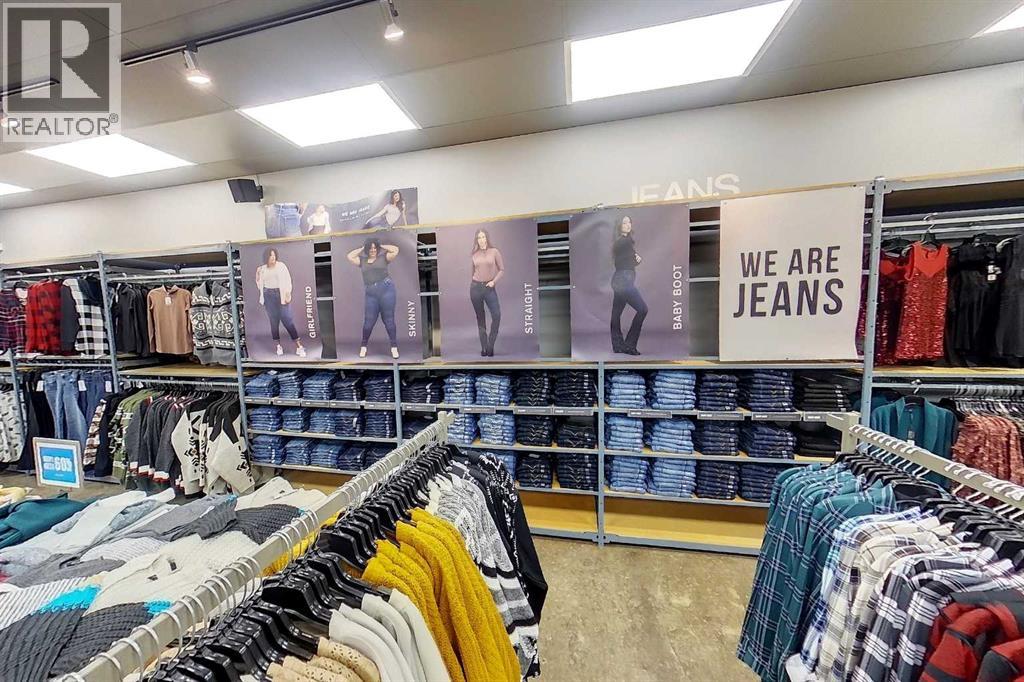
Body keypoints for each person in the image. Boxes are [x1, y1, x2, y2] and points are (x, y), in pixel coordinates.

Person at [347, 238, 401, 359]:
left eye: (375, 248)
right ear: (367, 249)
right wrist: (362, 248)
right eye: (370, 248)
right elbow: (350, 256)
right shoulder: (362, 261)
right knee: (368, 322)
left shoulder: (383, 258)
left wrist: (381, 245)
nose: (373, 250)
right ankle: (363, 347)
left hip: (387, 291)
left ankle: (394, 347)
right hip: (371, 294)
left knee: (389, 320)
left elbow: (395, 250)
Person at [255, 247, 307, 358]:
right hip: (268, 296)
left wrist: (288, 293)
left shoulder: (281, 266)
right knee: (274, 322)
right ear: (266, 257)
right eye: (270, 255)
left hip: (281, 295)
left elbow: (288, 280)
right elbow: (260, 285)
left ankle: (299, 347)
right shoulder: (262, 269)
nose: (272, 257)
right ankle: (278, 346)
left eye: (274, 255)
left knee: (287, 320)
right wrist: (258, 276)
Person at [610, 215, 647, 355]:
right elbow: (629, 261)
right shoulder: (624, 242)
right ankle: (629, 346)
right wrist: (637, 259)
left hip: (620, 279)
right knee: (642, 309)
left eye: (629, 222)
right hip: (623, 280)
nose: (628, 225)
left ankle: (618, 346)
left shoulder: (621, 242)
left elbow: (624, 262)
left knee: (616, 314)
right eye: (624, 222)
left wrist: (636, 260)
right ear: (619, 225)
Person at [470, 228, 503, 357]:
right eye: (479, 237)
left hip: (489, 288)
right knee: (480, 318)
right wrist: (475, 284)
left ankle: (490, 345)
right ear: (476, 240)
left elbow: (502, 270)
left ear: (487, 238)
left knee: (497, 315)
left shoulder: (494, 252)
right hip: (475, 288)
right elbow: (473, 272)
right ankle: (484, 347)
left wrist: (494, 281)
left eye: (483, 237)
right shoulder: (474, 254)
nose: (481, 240)